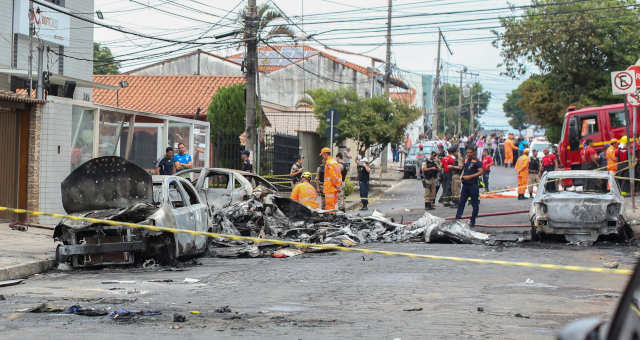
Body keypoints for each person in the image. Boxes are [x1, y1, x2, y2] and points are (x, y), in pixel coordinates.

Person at [455, 146, 483, 227]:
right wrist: (462, 175)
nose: (468, 154)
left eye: (470, 152)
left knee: (474, 204)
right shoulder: (467, 160)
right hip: (465, 186)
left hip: (473, 186)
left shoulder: (477, 162)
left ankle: (473, 221)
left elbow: (481, 172)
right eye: (467, 152)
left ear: (474, 153)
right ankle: (457, 219)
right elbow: (465, 169)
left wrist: (470, 176)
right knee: (461, 203)